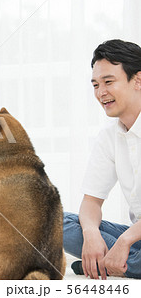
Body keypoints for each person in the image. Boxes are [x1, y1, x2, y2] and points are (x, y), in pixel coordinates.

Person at [63, 39, 141, 279]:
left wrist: (125, 240)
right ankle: (116, 262)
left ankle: (107, 264)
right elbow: (91, 202)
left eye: (108, 82)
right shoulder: (109, 136)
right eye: (96, 84)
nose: (101, 93)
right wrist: (91, 234)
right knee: (56, 223)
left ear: (138, 80)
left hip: (133, 237)